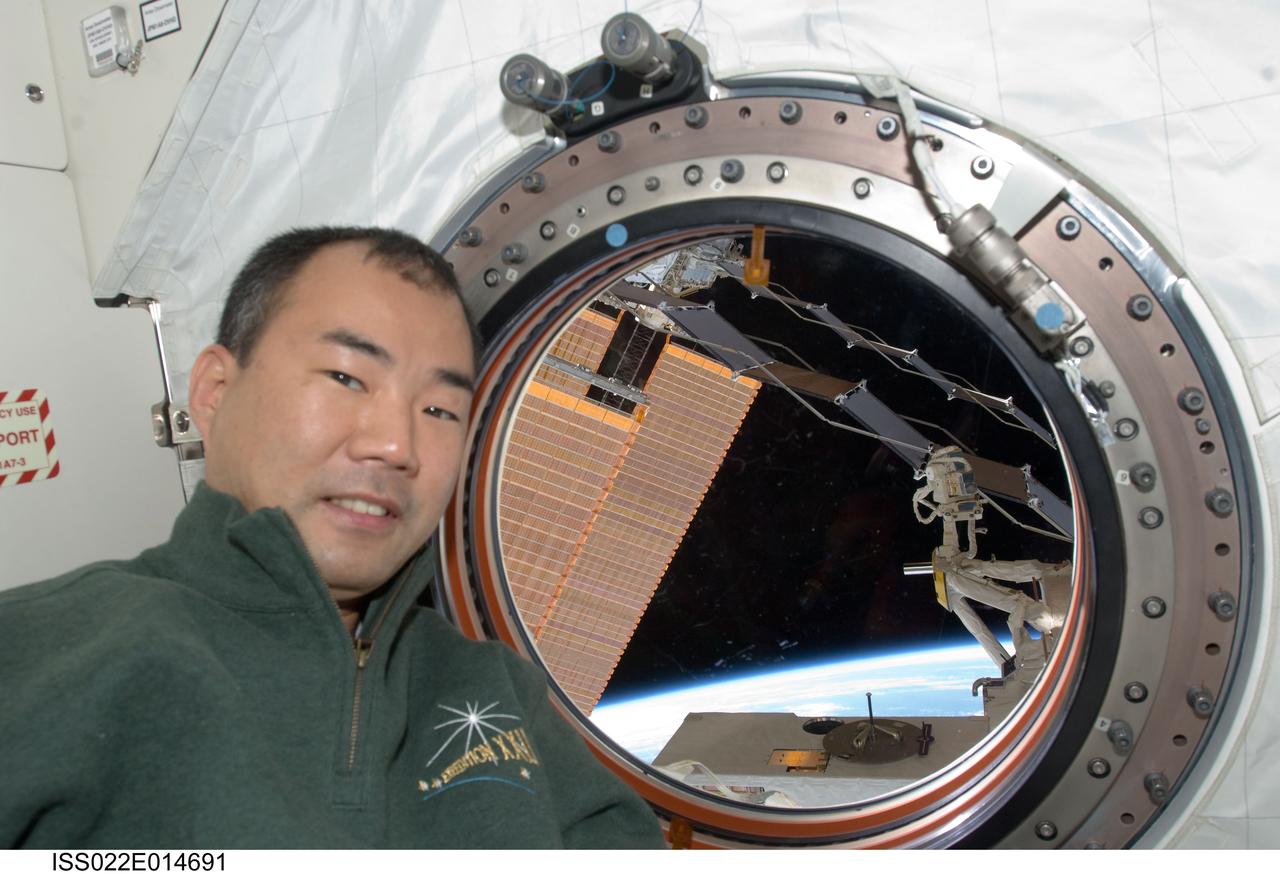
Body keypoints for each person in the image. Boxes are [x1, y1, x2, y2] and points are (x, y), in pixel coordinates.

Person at [0, 227, 666, 849]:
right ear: (213, 393)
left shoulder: (493, 687)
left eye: (440, 410)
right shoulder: (44, 654)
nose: (397, 444)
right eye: (347, 377)